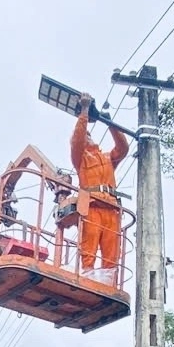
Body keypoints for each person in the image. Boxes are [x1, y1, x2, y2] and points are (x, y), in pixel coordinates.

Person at [69, 92, 129, 284]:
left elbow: (123, 148)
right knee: (89, 245)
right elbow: (77, 139)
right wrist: (84, 111)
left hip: (111, 208)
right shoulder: (80, 159)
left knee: (112, 249)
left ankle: (109, 282)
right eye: (85, 134)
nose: (87, 136)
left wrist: (110, 123)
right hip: (93, 206)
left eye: (89, 134)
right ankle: (87, 277)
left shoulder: (107, 158)